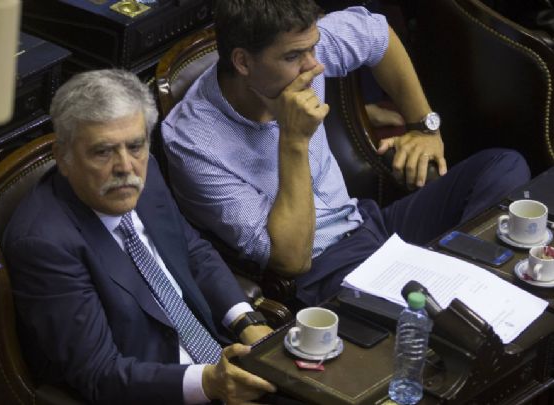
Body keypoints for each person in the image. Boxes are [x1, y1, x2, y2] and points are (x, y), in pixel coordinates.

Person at [161, 0, 531, 305]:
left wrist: (423, 126)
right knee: (430, 304)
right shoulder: (193, 142)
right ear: (243, 62)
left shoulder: (303, 51)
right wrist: (293, 140)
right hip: (322, 271)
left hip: (368, 223)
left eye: (313, 47)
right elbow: (292, 260)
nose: (314, 65)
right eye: (294, 56)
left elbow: (376, 34)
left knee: (503, 166)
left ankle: (458, 287)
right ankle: (457, 296)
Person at [3, 69, 276, 404]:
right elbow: (98, 374)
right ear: (63, 157)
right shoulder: (43, 244)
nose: (125, 167)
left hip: (220, 357)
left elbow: (192, 251)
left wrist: (246, 322)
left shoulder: (146, 175)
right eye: (102, 152)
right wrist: (209, 383)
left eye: (135, 146)